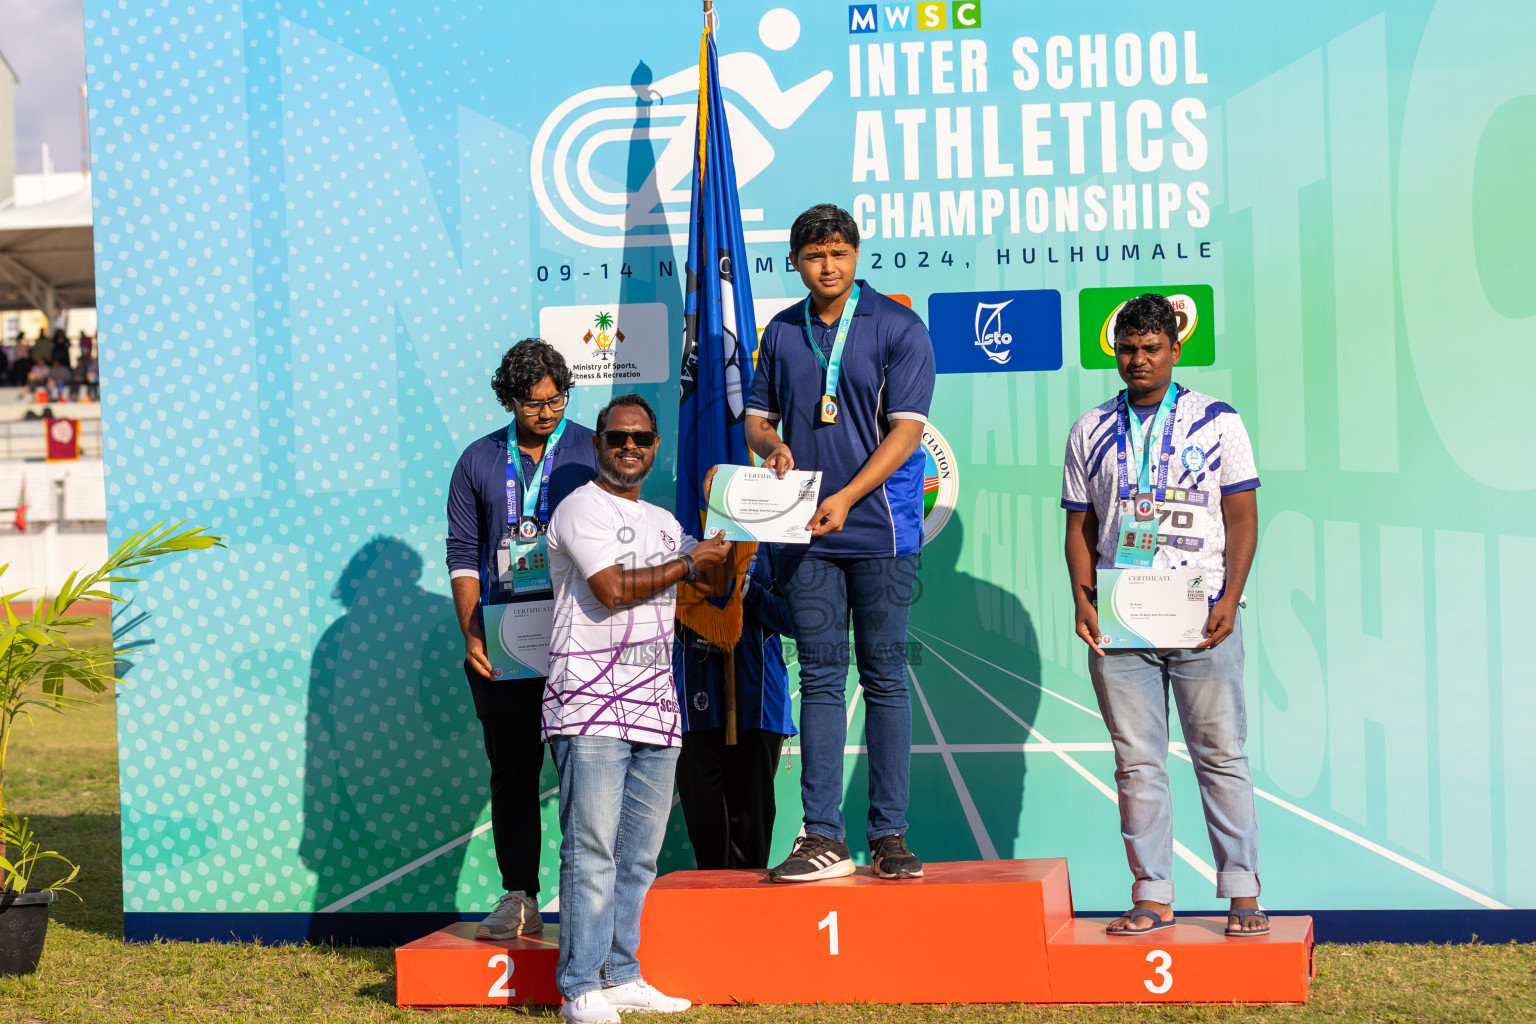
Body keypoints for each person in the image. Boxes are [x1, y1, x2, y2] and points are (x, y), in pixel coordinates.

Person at [1060, 292, 1267, 937]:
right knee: (1137, 760)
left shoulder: (1218, 422)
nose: (1138, 360)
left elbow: (1242, 518)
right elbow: (1078, 525)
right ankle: (1151, 894)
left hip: (1201, 617)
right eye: (1127, 349)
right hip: (1122, 619)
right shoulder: (1089, 429)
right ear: (1114, 352)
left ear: (1175, 350)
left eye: (1152, 349)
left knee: (1220, 755)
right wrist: (1083, 599)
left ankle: (1243, 896)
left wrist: (1230, 598)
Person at [744, 204, 936, 882]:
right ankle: (822, 834)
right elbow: (757, 418)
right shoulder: (782, 330)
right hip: (802, 535)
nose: (828, 265)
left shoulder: (898, 327)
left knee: (884, 677)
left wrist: (847, 498)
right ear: (795, 261)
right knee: (820, 678)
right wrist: (770, 448)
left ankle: (889, 836)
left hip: (879, 529)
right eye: (814, 254)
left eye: (839, 252)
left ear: (857, 256)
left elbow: (907, 432)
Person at [542, 394, 732, 1024]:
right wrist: (688, 561)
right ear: (597, 443)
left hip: (655, 707)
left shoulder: (663, 520)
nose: (630, 447)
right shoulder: (578, 508)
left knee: (639, 856)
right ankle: (579, 990)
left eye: (642, 439)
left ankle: (620, 975)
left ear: (655, 447)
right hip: (590, 703)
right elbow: (612, 589)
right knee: (592, 848)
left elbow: (715, 587)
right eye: (618, 437)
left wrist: (736, 518)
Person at [445, 338, 598, 941]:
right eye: (532, 403)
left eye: (557, 398)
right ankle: (520, 896)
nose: (547, 411)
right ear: (508, 399)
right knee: (512, 773)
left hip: (580, 637)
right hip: (504, 643)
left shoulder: (592, 448)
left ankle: (589, 900)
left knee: (587, 772)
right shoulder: (478, 460)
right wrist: (470, 628)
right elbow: (462, 551)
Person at [672, 544, 795, 870]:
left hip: (757, 695)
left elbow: (796, 619)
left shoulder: (775, 541)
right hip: (693, 698)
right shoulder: (675, 535)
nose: (711, 489)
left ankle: (745, 917)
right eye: (704, 487)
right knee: (706, 835)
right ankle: (714, 918)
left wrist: (744, 590)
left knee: (749, 845)